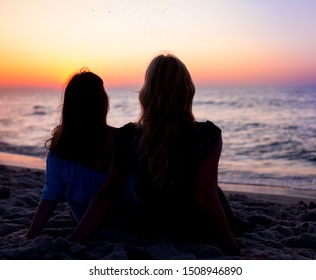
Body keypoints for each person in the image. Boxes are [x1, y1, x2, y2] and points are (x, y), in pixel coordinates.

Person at [69, 54, 240, 255]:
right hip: (195, 226)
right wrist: (234, 251)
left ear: (146, 93)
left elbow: (107, 195)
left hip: (150, 225)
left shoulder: (127, 137)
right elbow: (206, 197)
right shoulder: (207, 136)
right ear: (187, 91)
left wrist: (73, 240)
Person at [26, 69, 123, 238]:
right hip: (124, 223)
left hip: (83, 221)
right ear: (102, 102)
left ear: (69, 106)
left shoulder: (60, 149)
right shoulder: (123, 139)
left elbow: (51, 195)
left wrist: (32, 234)